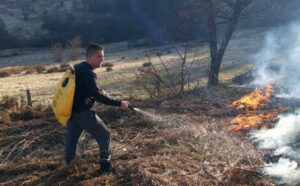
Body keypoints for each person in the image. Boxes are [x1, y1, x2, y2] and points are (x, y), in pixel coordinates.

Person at [65, 43, 128, 172]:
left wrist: (97, 91)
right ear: (89, 56)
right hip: (83, 113)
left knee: (71, 141)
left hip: (71, 113)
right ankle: (105, 167)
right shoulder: (89, 73)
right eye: (99, 56)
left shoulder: (78, 68)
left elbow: (85, 89)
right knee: (105, 134)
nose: (102, 59)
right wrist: (118, 103)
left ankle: (69, 166)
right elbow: (97, 95)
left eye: (102, 56)